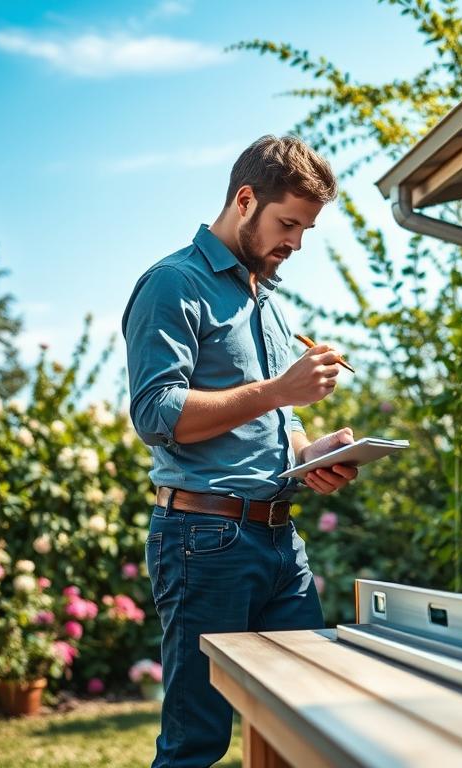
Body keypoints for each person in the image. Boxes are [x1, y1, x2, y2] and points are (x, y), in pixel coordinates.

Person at [121, 134, 357, 767]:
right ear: (245, 200)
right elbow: (157, 413)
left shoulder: (266, 298)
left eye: (306, 230)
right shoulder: (173, 284)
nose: (297, 243)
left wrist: (314, 454)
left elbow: (272, 421)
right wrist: (279, 388)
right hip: (203, 538)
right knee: (197, 740)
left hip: (281, 542)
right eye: (288, 224)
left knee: (308, 717)